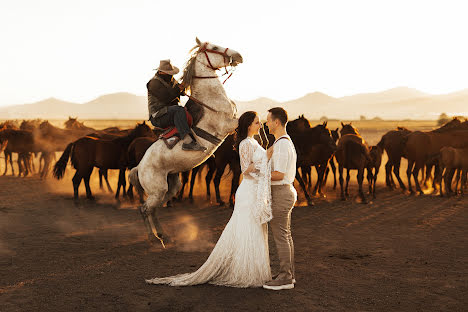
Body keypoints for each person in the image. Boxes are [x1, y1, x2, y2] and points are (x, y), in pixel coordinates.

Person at [145, 111, 274, 287]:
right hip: (248, 193)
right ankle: (245, 271)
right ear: (248, 125)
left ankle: (254, 269)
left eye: (260, 122)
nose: (260, 125)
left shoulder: (254, 142)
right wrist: (266, 157)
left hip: (254, 191)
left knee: (255, 230)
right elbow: (245, 170)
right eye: (257, 122)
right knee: (247, 229)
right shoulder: (245, 144)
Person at [263, 107, 298, 291]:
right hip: (284, 192)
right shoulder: (282, 142)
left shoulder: (282, 145)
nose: (266, 123)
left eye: (268, 120)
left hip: (281, 193)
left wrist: (260, 175)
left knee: (281, 237)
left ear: (276, 122)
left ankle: (285, 277)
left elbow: (278, 174)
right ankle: (288, 274)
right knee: (285, 235)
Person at [147, 59, 206, 152]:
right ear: (161, 72)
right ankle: (187, 142)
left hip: (169, 111)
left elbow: (179, 92)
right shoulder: (154, 83)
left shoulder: (170, 79)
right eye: (169, 73)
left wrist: (184, 86)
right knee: (179, 110)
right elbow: (167, 97)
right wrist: (179, 89)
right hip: (158, 116)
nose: (171, 75)